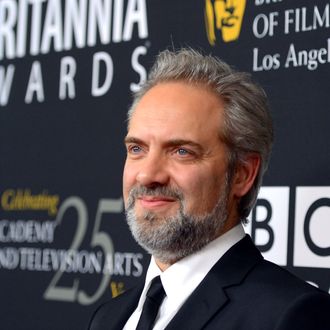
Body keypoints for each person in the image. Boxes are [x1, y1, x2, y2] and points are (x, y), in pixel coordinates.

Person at [88, 48, 330, 330]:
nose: (147, 175)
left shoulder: (292, 316)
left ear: (242, 174)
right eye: (137, 148)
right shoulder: (107, 317)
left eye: (181, 151)